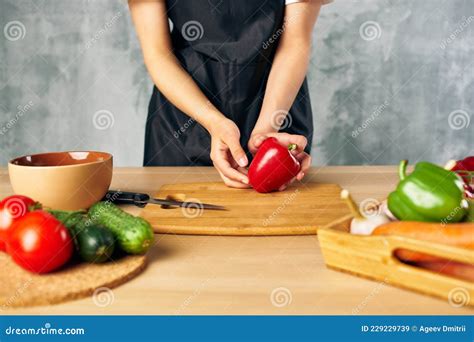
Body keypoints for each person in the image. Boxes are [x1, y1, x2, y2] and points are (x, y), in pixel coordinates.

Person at [129, 0, 331, 190]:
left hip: (276, 113)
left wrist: (264, 135)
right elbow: (157, 53)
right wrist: (213, 121)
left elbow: (294, 44)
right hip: (182, 120)